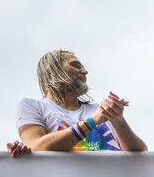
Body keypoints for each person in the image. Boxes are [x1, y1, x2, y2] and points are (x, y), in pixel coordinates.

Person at [17, 50, 147, 151]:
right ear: (52, 70)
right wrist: (92, 122)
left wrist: (118, 121)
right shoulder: (32, 106)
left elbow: (139, 156)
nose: (85, 71)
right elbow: (36, 147)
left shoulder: (99, 110)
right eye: (75, 65)